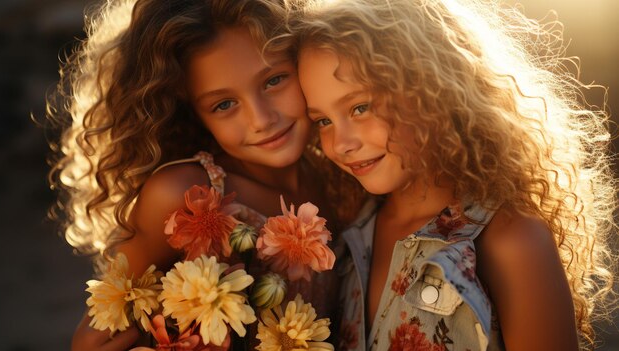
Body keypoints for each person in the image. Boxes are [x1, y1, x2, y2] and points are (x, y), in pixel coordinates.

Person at [286, 0, 617, 350]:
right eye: (323, 120)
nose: (340, 144)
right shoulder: (344, 233)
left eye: (360, 107)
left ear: (431, 87)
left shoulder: (511, 239)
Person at [46, 0, 364, 350]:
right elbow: (99, 329)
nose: (261, 120)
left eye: (274, 80)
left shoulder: (343, 168)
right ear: (193, 113)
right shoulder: (185, 195)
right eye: (224, 105)